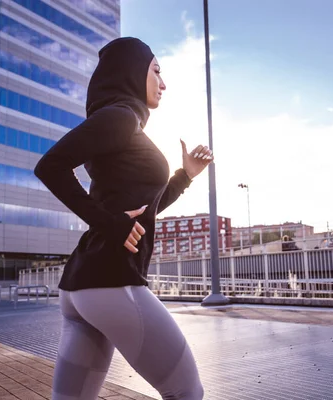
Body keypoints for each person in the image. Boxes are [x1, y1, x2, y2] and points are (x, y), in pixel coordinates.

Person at [34, 37, 213, 400]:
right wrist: (108, 223)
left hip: (82, 287)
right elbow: (50, 166)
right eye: (157, 71)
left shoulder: (123, 123)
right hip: (111, 281)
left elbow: (141, 210)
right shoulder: (121, 117)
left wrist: (185, 176)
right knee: (188, 392)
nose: (164, 83)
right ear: (133, 72)